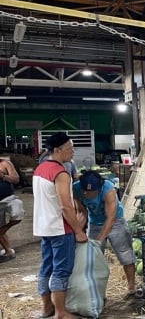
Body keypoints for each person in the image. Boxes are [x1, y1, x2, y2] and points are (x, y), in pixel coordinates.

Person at [33, 132, 88, 319]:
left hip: (44, 226)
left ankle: (46, 308)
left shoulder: (40, 169)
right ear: (57, 150)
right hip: (59, 228)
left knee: (46, 267)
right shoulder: (60, 172)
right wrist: (78, 230)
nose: (72, 152)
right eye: (69, 148)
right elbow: (65, 205)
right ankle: (61, 312)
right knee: (61, 269)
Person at [72, 170, 137, 298]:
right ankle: (98, 292)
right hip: (94, 222)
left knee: (125, 255)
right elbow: (82, 212)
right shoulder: (75, 189)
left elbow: (110, 219)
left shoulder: (108, 189)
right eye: (84, 190)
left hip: (116, 222)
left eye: (90, 192)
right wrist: (78, 232)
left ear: (99, 188)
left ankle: (132, 287)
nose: (85, 193)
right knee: (93, 258)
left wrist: (98, 241)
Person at [0, 157, 23, 262]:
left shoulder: (5, 163)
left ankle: (3, 229)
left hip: (9, 198)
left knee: (18, 213)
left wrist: (3, 176)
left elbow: (16, 179)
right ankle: (8, 251)